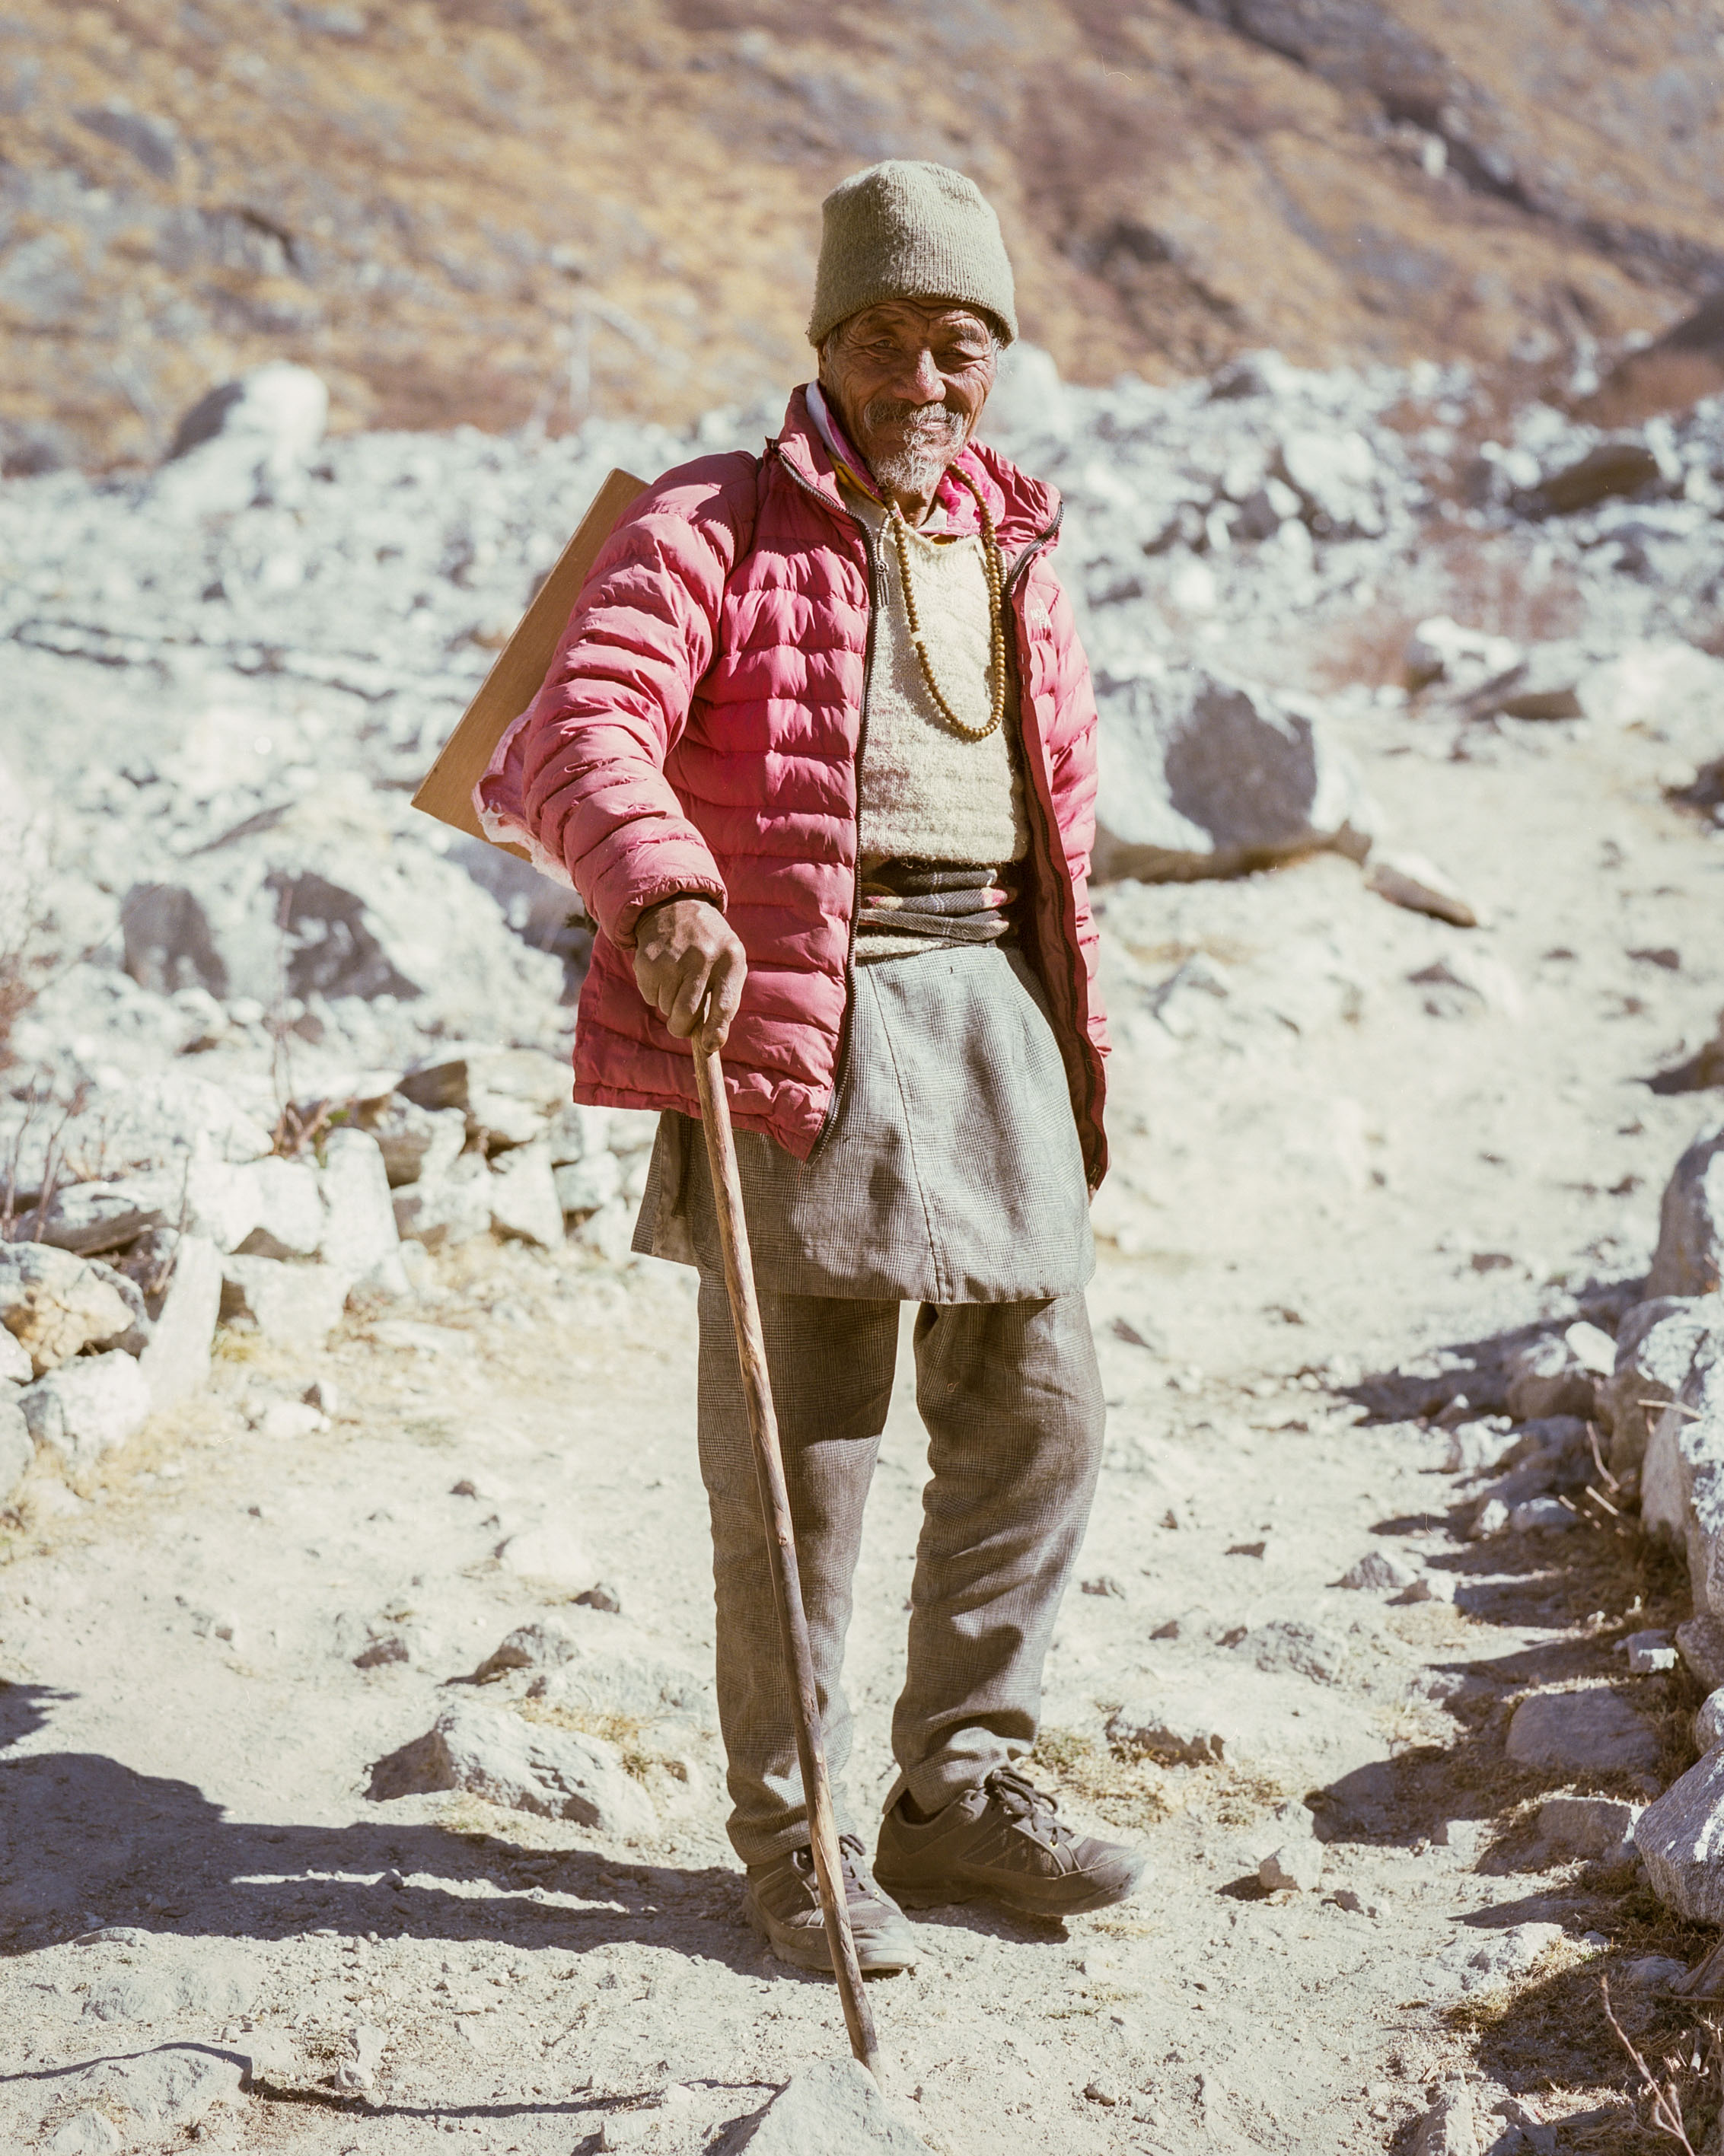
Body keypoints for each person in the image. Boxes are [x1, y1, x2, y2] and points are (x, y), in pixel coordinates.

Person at [479, 158, 1143, 1973]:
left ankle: (959, 1793)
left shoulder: (1015, 534)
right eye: (880, 342)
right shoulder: (711, 519)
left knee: (1040, 1418)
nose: (920, 383)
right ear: (822, 347)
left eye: (955, 347)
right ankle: (794, 1840)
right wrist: (664, 882)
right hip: (799, 1018)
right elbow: (580, 724)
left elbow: (1053, 818)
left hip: (990, 1008)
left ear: (990, 360)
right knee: (802, 1462)